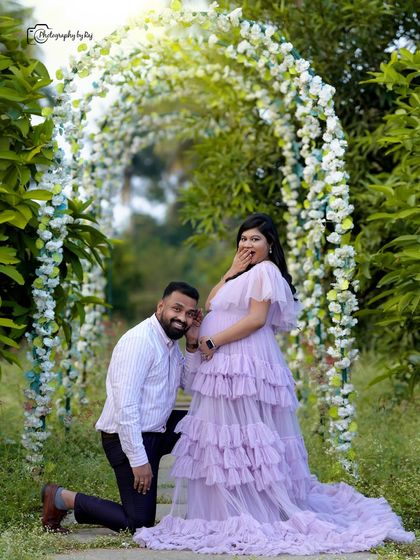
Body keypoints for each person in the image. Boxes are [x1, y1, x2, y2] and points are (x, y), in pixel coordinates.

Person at [134, 214, 414, 555]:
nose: (248, 244)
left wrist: (212, 342)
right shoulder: (242, 273)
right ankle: (226, 510)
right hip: (225, 364)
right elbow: (211, 303)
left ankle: (255, 508)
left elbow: (255, 319)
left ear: (270, 245)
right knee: (225, 440)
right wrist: (231, 271)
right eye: (244, 238)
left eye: (256, 239)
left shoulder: (266, 272)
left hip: (241, 360)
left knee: (247, 438)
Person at [41, 281, 202, 534]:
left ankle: (209, 509)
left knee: (208, 424)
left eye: (190, 314)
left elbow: (191, 385)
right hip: (126, 438)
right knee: (138, 523)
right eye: (177, 309)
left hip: (157, 429)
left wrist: (192, 344)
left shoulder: (170, 343)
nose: (182, 319)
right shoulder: (139, 342)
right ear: (160, 306)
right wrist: (139, 460)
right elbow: (126, 409)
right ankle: (61, 497)